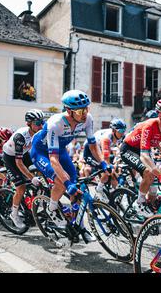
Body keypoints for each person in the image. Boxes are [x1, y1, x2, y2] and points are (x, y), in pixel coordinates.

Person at [30, 90, 111, 242]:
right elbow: (53, 159)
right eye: (81, 111)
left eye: (87, 108)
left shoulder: (87, 119)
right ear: (69, 111)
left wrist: (103, 162)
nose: (85, 113)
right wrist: (67, 183)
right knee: (62, 182)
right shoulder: (56, 123)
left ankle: (79, 226)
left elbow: (93, 146)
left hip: (60, 151)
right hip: (42, 153)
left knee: (77, 188)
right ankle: (52, 208)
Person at [120, 98, 161, 218]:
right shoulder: (149, 125)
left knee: (154, 189)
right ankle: (139, 203)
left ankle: (151, 216)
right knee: (149, 172)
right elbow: (144, 156)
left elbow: (156, 141)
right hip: (129, 149)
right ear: (160, 115)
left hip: (143, 150)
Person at [3, 110, 45, 228]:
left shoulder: (39, 132)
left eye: (42, 122)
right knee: (21, 187)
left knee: (41, 171)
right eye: (37, 122)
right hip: (11, 158)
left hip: (24, 154)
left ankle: (36, 201)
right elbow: (19, 162)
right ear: (29, 124)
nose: (41, 125)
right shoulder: (20, 136)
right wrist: (32, 178)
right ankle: (14, 214)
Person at [82, 118, 127, 203]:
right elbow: (105, 158)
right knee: (107, 170)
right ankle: (99, 189)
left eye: (124, 130)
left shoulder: (118, 136)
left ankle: (117, 196)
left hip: (97, 150)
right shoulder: (106, 138)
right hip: (90, 152)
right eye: (121, 131)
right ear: (113, 130)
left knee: (113, 176)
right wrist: (111, 168)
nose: (122, 133)